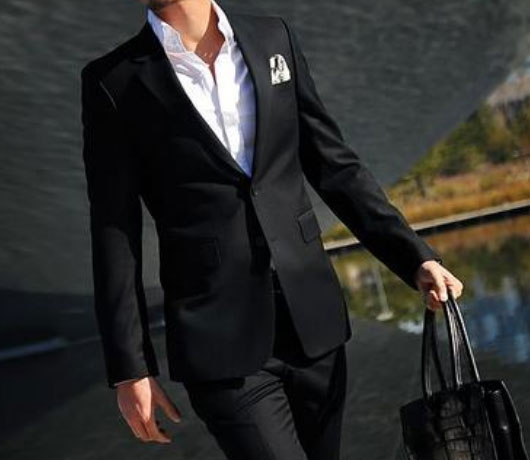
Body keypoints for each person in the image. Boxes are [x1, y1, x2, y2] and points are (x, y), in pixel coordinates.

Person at [80, 0, 464, 458]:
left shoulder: (272, 39)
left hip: (314, 324)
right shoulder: (114, 81)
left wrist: (414, 256)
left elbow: (334, 166)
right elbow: (114, 230)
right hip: (219, 342)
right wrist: (130, 366)